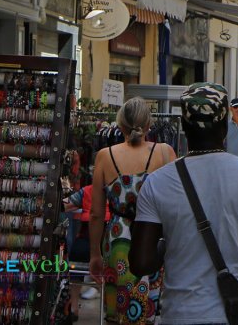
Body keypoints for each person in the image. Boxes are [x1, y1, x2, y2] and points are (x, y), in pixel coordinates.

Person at [130, 83, 238, 325]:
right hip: (237, 316)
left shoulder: (157, 183)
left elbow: (140, 263)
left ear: (184, 127)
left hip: (180, 316)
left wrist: (167, 245)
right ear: (224, 126)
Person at [89, 98, 176, 324]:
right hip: (155, 239)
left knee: (120, 312)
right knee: (151, 311)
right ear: (149, 125)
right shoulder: (165, 153)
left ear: (120, 126)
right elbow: (177, 206)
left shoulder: (104, 156)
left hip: (118, 240)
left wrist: (95, 255)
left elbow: (96, 214)